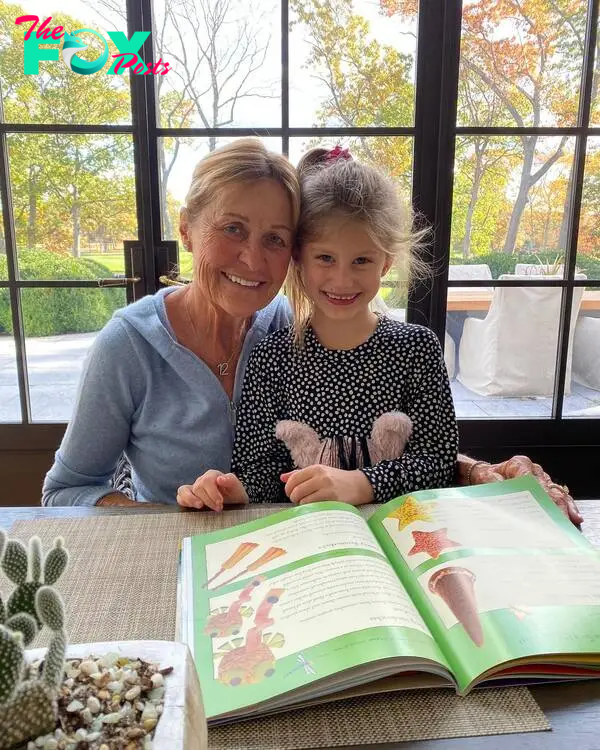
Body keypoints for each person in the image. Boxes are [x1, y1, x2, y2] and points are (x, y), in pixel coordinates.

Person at [179, 146, 459, 510]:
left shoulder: (416, 348)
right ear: (298, 260)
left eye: (362, 260)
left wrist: (362, 484)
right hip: (311, 542)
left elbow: (439, 461)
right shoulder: (272, 356)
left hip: (400, 538)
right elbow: (259, 469)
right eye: (325, 258)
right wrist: (237, 489)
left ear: (386, 263)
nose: (342, 280)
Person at [42, 139, 300, 507]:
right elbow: (66, 491)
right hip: (171, 555)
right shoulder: (128, 345)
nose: (253, 260)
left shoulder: (293, 328)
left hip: (285, 551)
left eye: (275, 239)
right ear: (186, 230)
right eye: (232, 229)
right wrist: (161, 523)